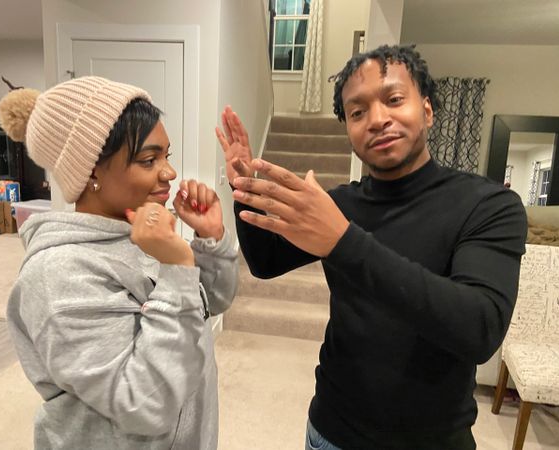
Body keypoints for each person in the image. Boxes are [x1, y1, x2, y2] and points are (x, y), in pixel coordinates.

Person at [216, 44, 527, 449]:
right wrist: (243, 188)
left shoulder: (487, 205)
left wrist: (343, 241)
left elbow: (479, 329)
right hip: (331, 432)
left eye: (394, 100)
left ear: (427, 110)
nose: (377, 120)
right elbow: (265, 261)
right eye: (357, 112)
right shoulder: (341, 205)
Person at [0, 76, 238, 449]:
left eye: (167, 156)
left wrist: (209, 240)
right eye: (148, 159)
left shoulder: (143, 234)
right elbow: (144, 404)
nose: (169, 173)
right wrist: (177, 269)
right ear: (92, 170)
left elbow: (211, 304)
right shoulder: (57, 274)